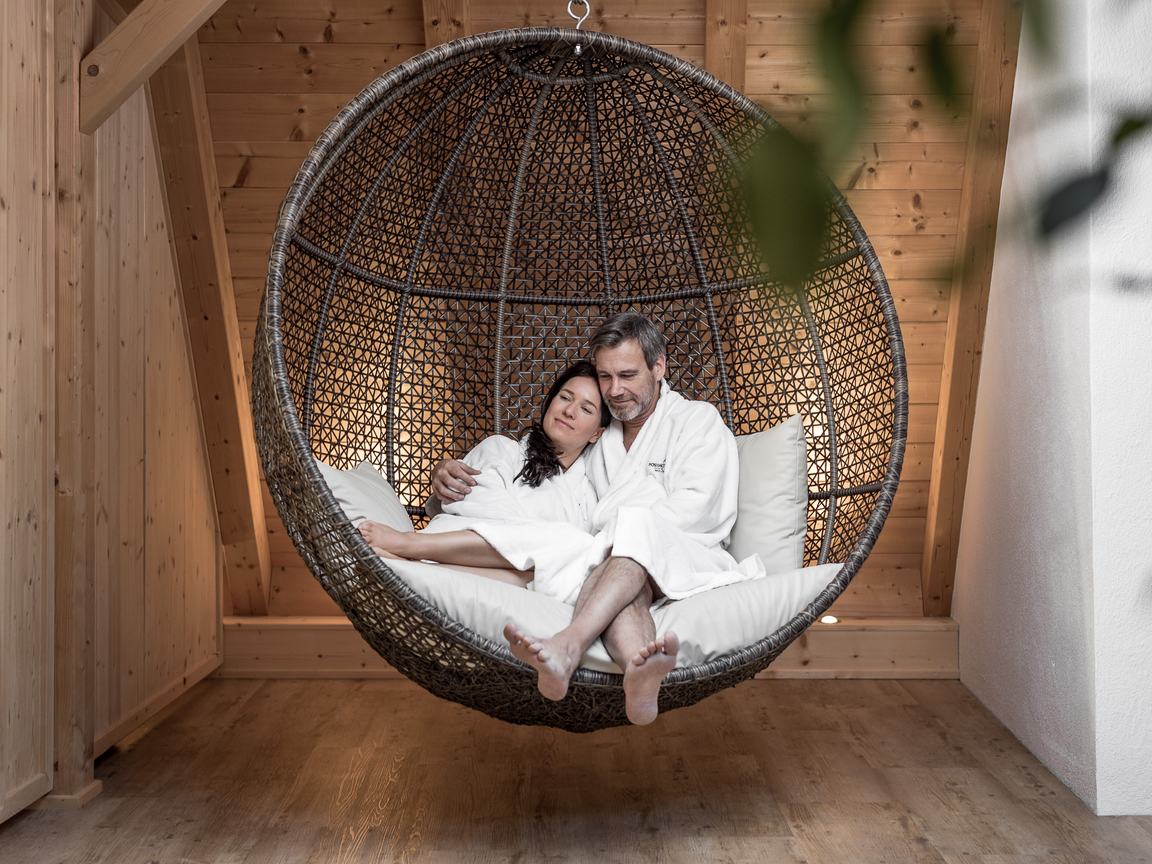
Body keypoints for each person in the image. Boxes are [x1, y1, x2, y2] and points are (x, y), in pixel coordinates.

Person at [434, 313, 764, 725]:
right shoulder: (601, 438)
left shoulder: (696, 421)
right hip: (618, 568)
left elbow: (700, 507)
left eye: (627, 375)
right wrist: (445, 475)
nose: (615, 389)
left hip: (688, 552)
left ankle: (568, 646)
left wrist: (618, 535)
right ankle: (640, 671)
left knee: (633, 536)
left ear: (659, 366)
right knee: (623, 577)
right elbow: (547, 482)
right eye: (605, 376)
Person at [359, 360, 611, 590]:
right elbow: (477, 510)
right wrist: (539, 549)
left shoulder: (590, 498)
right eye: (565, 397)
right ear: (550, 402)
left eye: (586, 409)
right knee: (570, 545)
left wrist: (538, 553)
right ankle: (410, 544)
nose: (570, 411)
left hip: (514, 586)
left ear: (596, 434)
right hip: (455, 548)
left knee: (576, 551)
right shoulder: (501, 449)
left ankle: (412, 568)